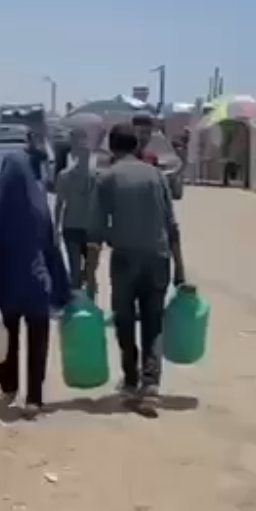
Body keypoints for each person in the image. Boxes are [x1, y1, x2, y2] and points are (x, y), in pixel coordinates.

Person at [89, 124, 185, 414]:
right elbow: (172, 226)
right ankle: (151, 385)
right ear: (137, 147)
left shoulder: (107, 178)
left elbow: (95, 233)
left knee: (125, 319)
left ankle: (131, 380)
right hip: (158, 257)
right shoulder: (156, 176)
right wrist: (180, 269)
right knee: (153, 321)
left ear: (112, 147)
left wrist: (89, 274)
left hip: (125, 259)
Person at [0, 154, 71, 417]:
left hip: (8, 287)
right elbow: (51, 247)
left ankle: (9, 388)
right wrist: (61, 288)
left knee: (9, 338)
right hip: (37, 285)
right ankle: (34, 399)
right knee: (38, 343)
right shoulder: (39, 207)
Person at [54, 126, 101, 299]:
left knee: (90, 272)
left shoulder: (97, 177)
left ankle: (88, 304)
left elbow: (102, 205)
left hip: (89, 229)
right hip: (74, 227)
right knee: (77, 271)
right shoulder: (65, 176)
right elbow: (59, 204)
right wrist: (56, 228)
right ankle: (78, 304)